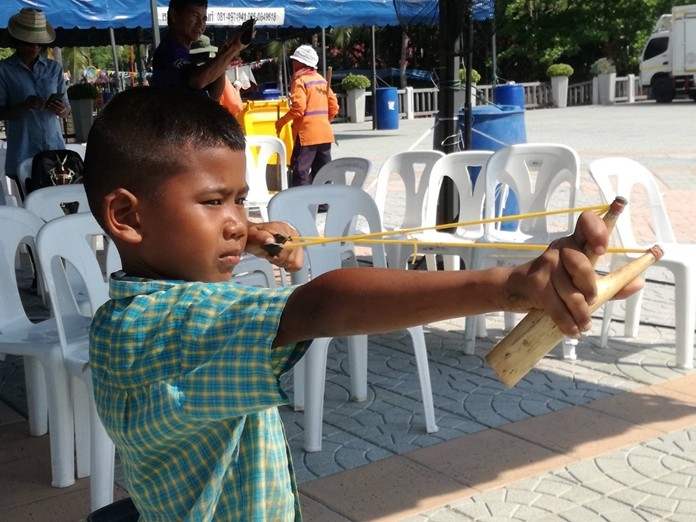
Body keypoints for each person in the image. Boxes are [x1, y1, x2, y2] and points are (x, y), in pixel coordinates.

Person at [84, 87, 640, 521]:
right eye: (212, 202)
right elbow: (323, 304)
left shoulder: (146, 301)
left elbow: (215, 238)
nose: (233, 219)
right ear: (127, 217)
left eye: (240, 201)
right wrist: (507, 285)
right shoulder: (151, 327)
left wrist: (246, 233)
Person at [0, 8, 70, 182]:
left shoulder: (54, 68)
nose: (35, 48)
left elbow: (67, 111)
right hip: (23, 152)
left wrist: (61, 110)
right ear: (18, 41)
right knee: (29, 205)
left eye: (39, 44)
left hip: (55, 150)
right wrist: (24, 105)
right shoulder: (4, 70)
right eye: (30, 43)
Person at [151, 0, 253, 101]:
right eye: (195, 16)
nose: (200, 24)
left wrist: (223, 58)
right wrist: (235, 47)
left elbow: (214, 95)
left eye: (204, 19)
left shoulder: (185, 55)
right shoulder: (168, 51)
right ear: (174, 16)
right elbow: (197, 81)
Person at [275, 45, 339, 186]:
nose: (293, 63)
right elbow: (334, 107)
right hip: (324, 134)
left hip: (306, 136)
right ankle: (324, 205)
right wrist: (323, 122)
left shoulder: (300, 81)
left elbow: (298, 109)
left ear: (302, 63)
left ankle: (301, 204)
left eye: (295, 60)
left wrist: (281, 122)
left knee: (300, 171)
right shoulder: (322, 80)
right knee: (324, 172)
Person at [190, 35, 244, 116]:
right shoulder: (216, 73)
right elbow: (235, 105)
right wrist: (237, 89)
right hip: (214, 121)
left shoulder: (186, 71)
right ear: (208, 53)